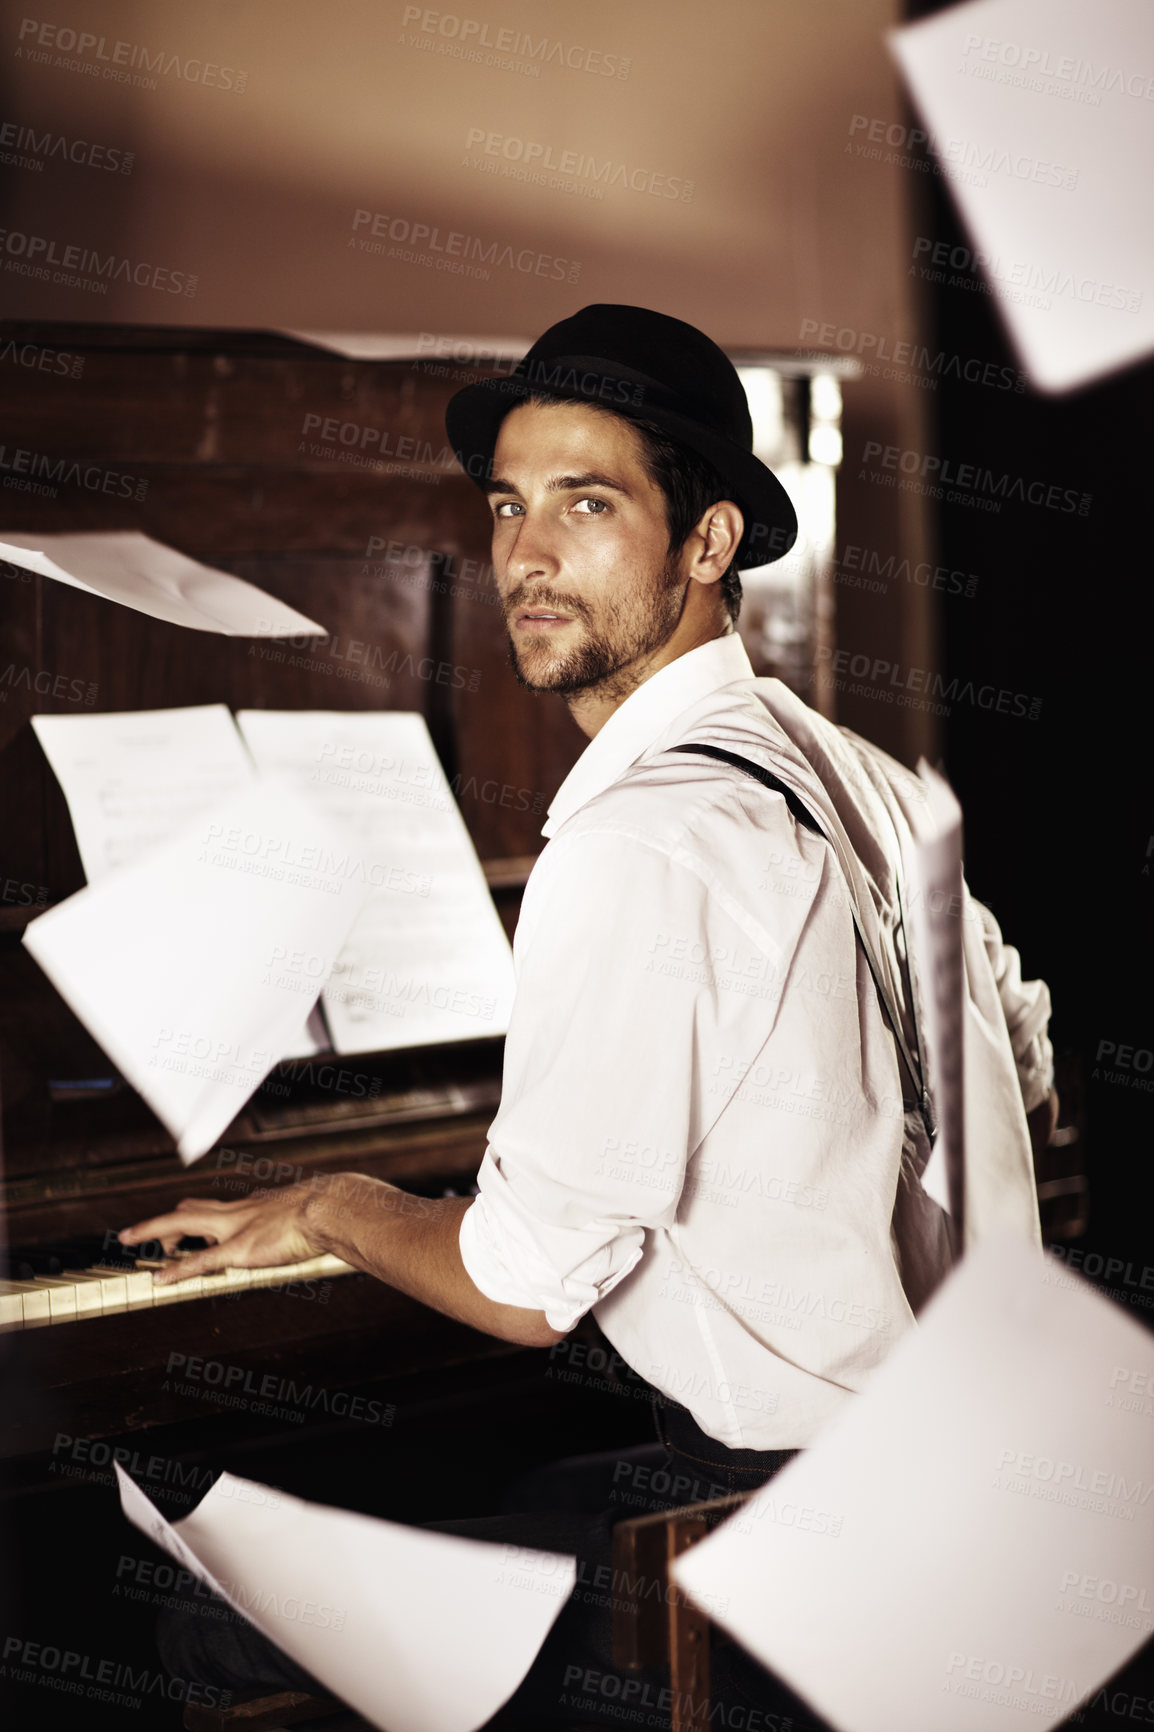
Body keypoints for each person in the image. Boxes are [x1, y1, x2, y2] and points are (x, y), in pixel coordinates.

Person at [121, 304, 1058, 1722]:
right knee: (469, 1481)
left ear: (707, 543)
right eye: (507, 504)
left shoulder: (639, 842)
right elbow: (1031, 1066)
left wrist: (332, 1202)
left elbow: (515, 1288)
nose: (524, 558)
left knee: (187, 1618)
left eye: (587, 503)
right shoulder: (858, 772)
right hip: (962, 1471)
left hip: (782, 1541)